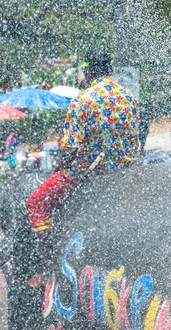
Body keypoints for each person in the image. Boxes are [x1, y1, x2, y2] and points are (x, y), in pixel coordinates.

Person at [26, 48, 140, 285]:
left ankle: (47, 268)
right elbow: (134, 142)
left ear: (87, 72)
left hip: (89, 172)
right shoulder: (129, 98)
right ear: (110, 70)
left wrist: (59, 167)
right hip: (125, 171)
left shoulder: (83, 100)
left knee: (36, 203)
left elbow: (69, 150)